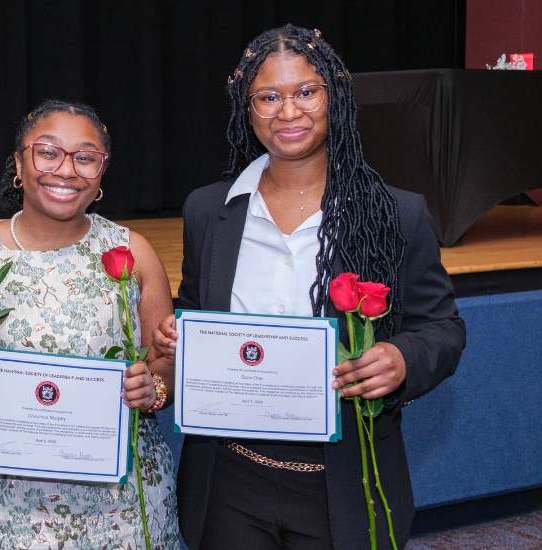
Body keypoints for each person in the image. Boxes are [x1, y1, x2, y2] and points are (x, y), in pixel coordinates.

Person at [152, 25, 466, 550]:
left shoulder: (395, 213)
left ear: (335, 97)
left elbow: (444, 329)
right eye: (268, 97)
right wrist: (176, 332)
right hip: (230, 476)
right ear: (246, 110)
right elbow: (194, 307)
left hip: (346, 479)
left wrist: (403, 356)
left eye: (305, 92)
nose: (288, 112)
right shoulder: (208, 211)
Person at [0, 100, 181, 549]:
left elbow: (164, 362)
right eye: (49, 152)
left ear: (101, 173)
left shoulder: (133, 251)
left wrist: (151, 388)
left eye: (86, 157)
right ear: (19, 162)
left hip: (125, 501)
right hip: (11, 503)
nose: (66, 169)